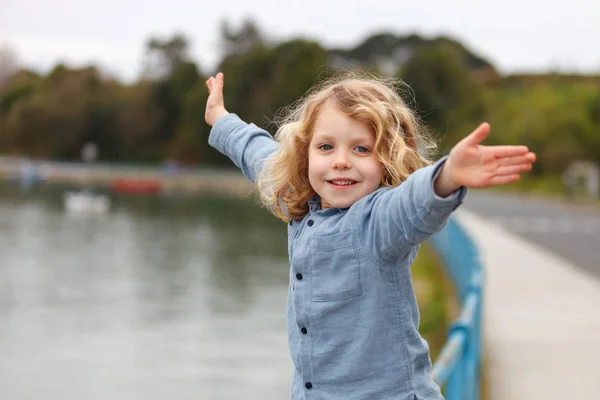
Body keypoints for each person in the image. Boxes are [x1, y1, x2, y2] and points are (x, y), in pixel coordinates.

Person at [204, 71, 535, 399]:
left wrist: (446, 176)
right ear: (305, 154)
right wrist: (220, 118)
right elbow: (260, 155)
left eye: (362, 149)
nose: (341, 161)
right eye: (326, 147)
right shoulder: (302, 203)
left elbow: (411, 205)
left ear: (388, 158)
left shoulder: (377, 221)